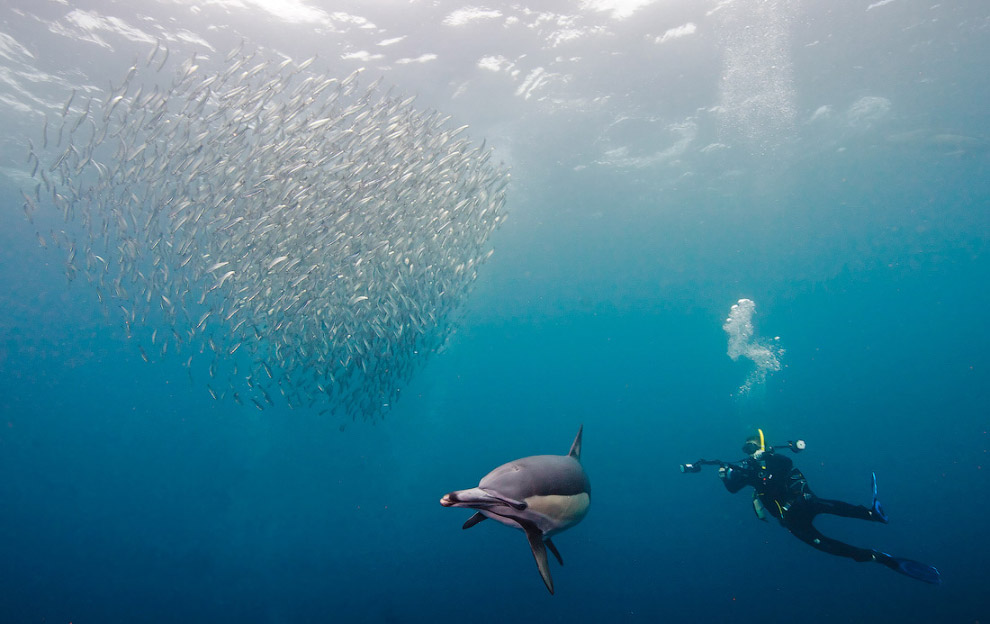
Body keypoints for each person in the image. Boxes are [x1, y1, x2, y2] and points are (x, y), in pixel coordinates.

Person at [716, 430, 941, 584]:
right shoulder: (751, 471)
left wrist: (766, 455)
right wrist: (725, 478)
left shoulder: (774, 459)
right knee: (825, 545)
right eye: (747, 449)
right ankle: (874, 556)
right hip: (790, 521)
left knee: (825, 505)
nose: (749, 452)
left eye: (752, 447)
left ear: (761, 445)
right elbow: (733, 489)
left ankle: (872, 514)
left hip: (801, 502)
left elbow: (787, 463)